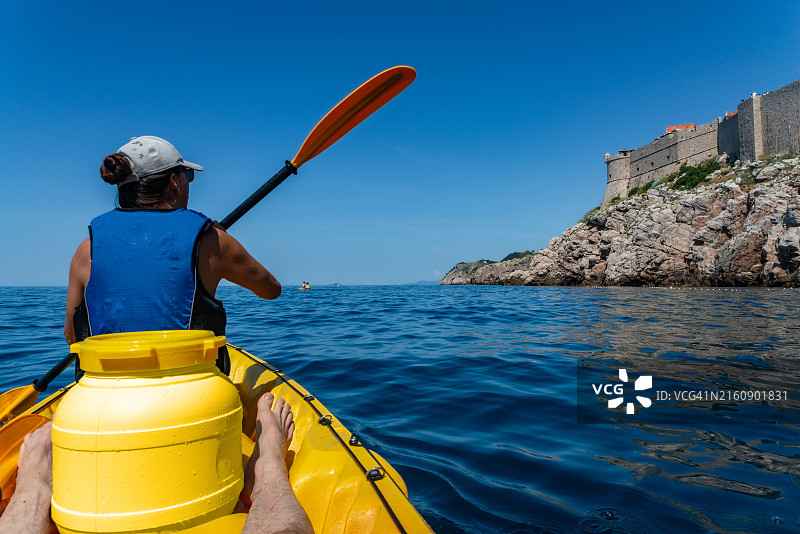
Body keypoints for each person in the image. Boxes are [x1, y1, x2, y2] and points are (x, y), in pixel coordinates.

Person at [64, 136, 281, 373]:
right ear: (173, 182)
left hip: (103, 397)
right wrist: (221, 239)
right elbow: (271, 290)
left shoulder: (87, 249)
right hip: (188, 395)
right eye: (186, 175)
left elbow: (73, 336)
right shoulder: (212, 241)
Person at [0, 394, 313, 534]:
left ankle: (34, 485)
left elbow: (71, 331)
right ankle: (268, 464)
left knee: (27, 499)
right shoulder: (210, 254)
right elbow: (271, 290)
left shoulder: (85, 259)